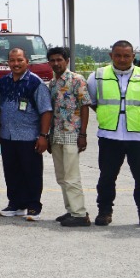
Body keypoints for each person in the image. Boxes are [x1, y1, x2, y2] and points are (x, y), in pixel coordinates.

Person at [88, 40, 140, 229]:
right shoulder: (97, 76)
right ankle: (104, 212)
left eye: (126, 56)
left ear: (133, 57)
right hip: (109, 136)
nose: (122, 59)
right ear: (111, 56)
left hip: (139, 137)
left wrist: (134, 117)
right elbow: (92, 101)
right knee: (106, 178)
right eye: (118, 55)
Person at [0, 47, 53, 221]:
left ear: (27, 61)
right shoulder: (3, 82)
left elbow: (46, 111)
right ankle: (15, 204)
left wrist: (43, 136)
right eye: (12, 60)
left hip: (29, 136)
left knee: (31, 172)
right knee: (11, 171)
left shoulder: (36, 83)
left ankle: (34, 206)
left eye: (20, 60)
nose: (16, 63)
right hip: (7, 135)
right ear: (8, 63)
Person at [47, 46, 93, 227]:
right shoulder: (52, 83)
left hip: (72, 133)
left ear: (67, 61)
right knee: (61, 176)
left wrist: (83, 134)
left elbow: (85, 106)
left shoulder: (76, 80)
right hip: (56, 134)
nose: (56, 63)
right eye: (53, 60)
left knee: (72, 175)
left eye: (59, 60)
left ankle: (80, 214)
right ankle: (71, 210)